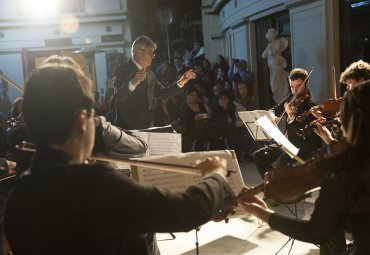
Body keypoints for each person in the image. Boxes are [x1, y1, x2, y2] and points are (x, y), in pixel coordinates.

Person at [3, 63, 235, 255]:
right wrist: (215, 175)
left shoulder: (17, 199)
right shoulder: (95, 185)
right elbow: (186, 211)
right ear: (83, 121)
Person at [239, 81, 370, 255]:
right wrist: (329, 139)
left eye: (342, 117)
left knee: (330, 228)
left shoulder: (344, 174)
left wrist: (261, 212)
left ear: (356, 119)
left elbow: (315, 232)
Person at [112, 35, 196, 130]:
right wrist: (133, 82)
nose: (153, 56)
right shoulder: (121, 70)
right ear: (139, 52)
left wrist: (182, 81)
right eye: (150, 52)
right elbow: (118, 96)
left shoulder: (150, 74)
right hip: (127, 130)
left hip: (147, 127)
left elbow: (163, 94)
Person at [252, 68, 322, 178]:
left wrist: (291, 117)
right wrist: (272, 115)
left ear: (307, 83)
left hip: (302, 147)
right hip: (286, 143)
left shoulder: (312, 105)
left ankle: (278, 186)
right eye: (292, 87)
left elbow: (302, 133)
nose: (295, 90)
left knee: (282, 161)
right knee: (258, 156)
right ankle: (272, 184)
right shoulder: (292, 97)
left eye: (299, 86)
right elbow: (275, 108)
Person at [262, 28, 290, 103]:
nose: (269, 39)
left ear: (273, 36)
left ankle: (282, 98)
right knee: (273, 83)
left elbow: (272, 53)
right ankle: (279, 99)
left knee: (277, 81)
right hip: (271, 65)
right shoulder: (269, 44)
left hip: (276, 64)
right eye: (268, 38)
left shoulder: (277, 43)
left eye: (270, 38)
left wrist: (270, 47)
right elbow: (263, 55)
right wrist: (268, 46)